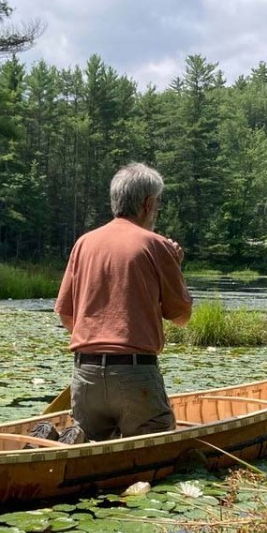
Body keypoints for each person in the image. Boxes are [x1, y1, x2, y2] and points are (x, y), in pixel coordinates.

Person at [54, 163, 192, 441]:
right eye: (158, 203)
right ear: (148, 203)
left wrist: (100, 344)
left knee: (91, 462)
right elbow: (180, 316)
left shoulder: (84, 243)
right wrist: (175, 265)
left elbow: (66, 315)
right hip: (135, 374)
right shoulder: (156, 245)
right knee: (155, 456)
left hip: (86, 374)